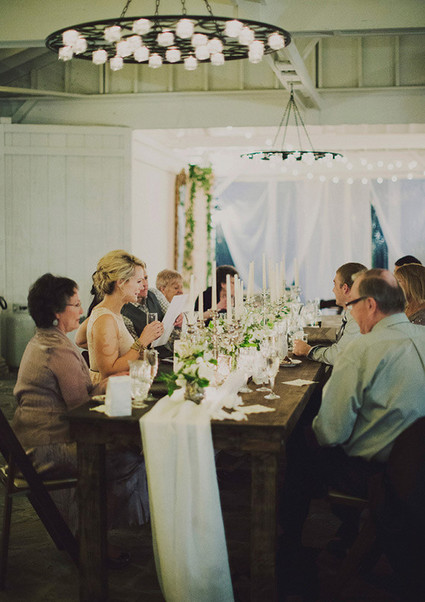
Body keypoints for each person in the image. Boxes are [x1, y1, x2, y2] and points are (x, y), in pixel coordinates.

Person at [280, 269, 425, 586]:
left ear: (370, 305)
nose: (349, 311)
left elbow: (330, 432)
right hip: (417, 468)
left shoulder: (361, 349)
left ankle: (288, 557)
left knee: (295, 450)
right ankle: (348, 535)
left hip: (382, 474)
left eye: (351, 304)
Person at [13, 274, 150, 566]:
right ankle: (91, 537)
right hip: (45, 448)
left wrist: (112, 382)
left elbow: (81, 393)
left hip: (30, 443)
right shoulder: (56, 350)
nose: (82, 310)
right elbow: (81, 412)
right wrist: (114, 387)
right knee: (130, 457)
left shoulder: (45, 340)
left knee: (125, 453)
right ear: (56, 312)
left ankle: (86, 530)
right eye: (75, 305)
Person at [87, 250, 163, 383]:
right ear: (121, 282)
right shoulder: (105, 319)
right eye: (138, 281)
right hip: (110, 390)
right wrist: (143, 341)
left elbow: (81, 338)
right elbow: (109, 372)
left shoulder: (111, 311)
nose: (142, 287)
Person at [293, 262, 367, 365]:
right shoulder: (356, 309)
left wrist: (308, 350)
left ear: (345, 288)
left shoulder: (358, 316)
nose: (333, 290)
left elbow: (339, 356)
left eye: (334, 284)